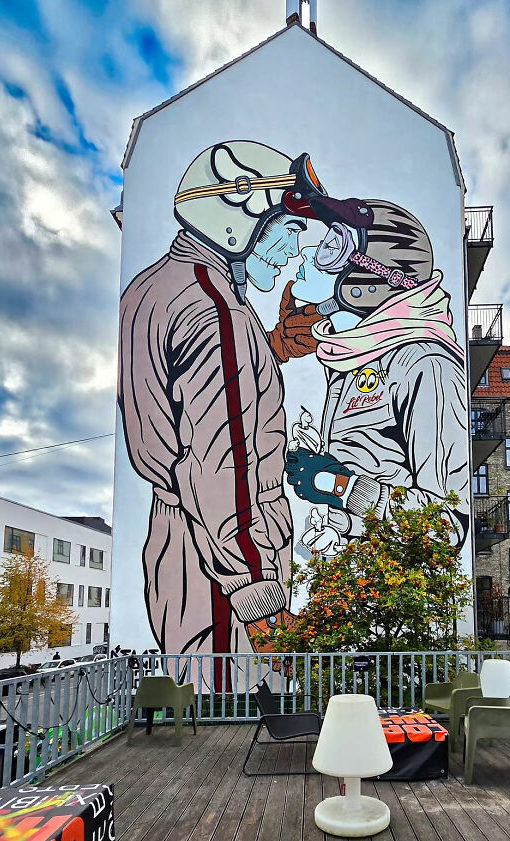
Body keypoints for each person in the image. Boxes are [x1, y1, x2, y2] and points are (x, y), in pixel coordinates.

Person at [118, 141, 325, 688]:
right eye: (287, 231)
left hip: (185, 542)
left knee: (202, 696)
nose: (292, 253)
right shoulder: (216, 308)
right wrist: (258, 595)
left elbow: (184, 404)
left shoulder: (157, 286)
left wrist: (271, 349)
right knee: (235, 709)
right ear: (236, 214)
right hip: (227, 560)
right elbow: (220, 463)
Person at [284, 198, 470, 555]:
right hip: (360, 585)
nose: (307, 253)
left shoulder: (424, 364)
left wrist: (340, 486)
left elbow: (446, 525)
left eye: (332, 245)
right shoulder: (351, 362)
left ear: (367, 281)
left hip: (403, 592)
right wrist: (340, 531)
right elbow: (381, 485)